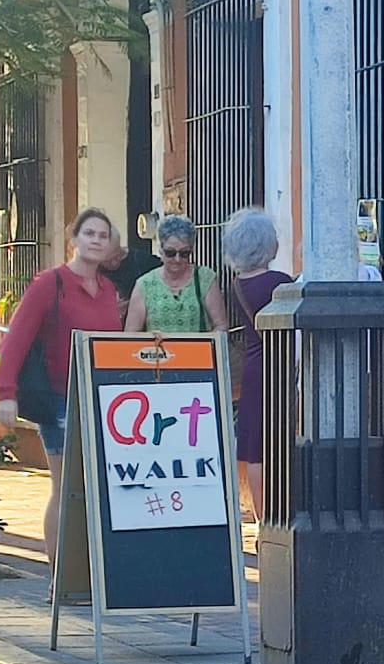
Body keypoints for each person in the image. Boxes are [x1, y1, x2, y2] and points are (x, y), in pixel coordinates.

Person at [0, 208, 121, 575]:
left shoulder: (109, 290)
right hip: (61, 399)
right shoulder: (51, 283)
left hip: (103, 403)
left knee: (100, 490)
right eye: (90, 233)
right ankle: (61, 576)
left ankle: (94, 575)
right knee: (65, 488)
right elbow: (16, 339)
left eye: (103, 235)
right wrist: (5, 392)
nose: (96, 240)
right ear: (74, 239)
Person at [224, 207, 291, 519]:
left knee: (255, 449)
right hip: (275, 368)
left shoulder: (239, 283)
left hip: (254, 366)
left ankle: (263, 515)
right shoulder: (277, 282)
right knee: (277, 442)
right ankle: (278, 512)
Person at [125, 215, 226, 333]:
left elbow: (221, 325)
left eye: (184, 253)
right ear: (161, 250)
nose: (177, 259)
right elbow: (131, 333)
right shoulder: (145, 284)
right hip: (157, 351)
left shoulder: (205, 278)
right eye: (170, 253)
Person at [101, 226, 163, 324]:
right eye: (107, 261)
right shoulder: (93, 271)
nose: (114, 263)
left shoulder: (142, 261)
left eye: (117, 255)